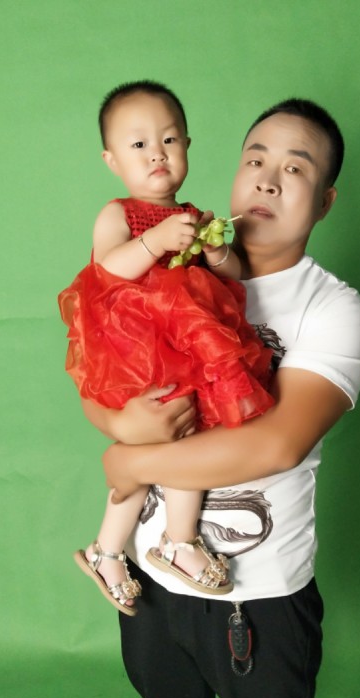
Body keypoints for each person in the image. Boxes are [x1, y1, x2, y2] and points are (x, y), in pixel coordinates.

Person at [84, 98, 360, 698]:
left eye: (294, 169)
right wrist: (121, 423)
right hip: (152, 582)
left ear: (325, 201)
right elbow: (106, 369)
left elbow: (277, 445)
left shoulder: (333, 308)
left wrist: (129, 460)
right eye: (255, 160)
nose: (267, 180)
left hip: (256, 594)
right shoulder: (176, 265)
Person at [59, 81, 274, 616]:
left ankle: (150, 545)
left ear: (188, 147)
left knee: (185, 441)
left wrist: (216, 250)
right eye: (139, 145)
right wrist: (155, 241)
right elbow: (109, 270)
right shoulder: (120, 214)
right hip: (135, 352)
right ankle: (130, 547)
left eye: (170, 140)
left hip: (187, 353)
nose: (157, 154)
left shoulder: (194, 216)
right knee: (150, 446)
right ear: (112, 160)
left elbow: (233, 274)